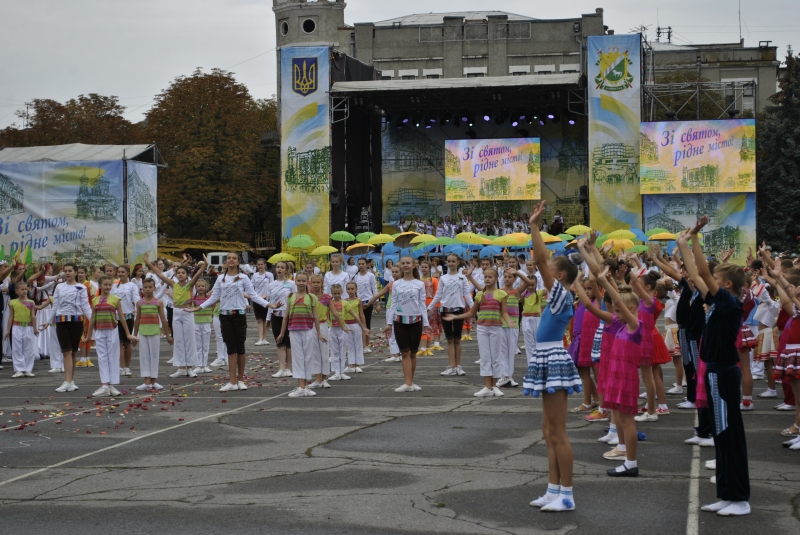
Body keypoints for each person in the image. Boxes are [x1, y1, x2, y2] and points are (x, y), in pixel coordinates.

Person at [678, 218, 750, 516]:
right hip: (716, 373)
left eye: (717, 282)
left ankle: (739, 499)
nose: (709, 284)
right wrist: (686, 243)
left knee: (729, 434)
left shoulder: (730, 304)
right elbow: (696, 273)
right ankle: (726, 494)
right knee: (721, 435)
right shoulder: (719, 302)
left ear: (728, 285)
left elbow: (704, 271)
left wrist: (696, 237)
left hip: (724, 373)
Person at [522, 201, 582, 512]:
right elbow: (545, 262)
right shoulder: (559, 296)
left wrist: (534, 226)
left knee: (558, 431)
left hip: (553, 359)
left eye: (550, 269)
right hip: (547, 359)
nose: (544, 270)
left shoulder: (561, 294)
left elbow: (542, 260)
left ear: (559, 274)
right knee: (548, 431)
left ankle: (567, 495)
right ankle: (553, 488)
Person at [187, 252, 270, 392]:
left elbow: (253, 295)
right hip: (224, 316)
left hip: (239, 315)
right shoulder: (220, 278)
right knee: (230, 349)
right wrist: (198, 307)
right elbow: (214, 298)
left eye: (234, 258)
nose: (231, 260)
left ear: (238, 262)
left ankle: (241, 380)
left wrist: (269, 305)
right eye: (229, 258)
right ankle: (232, 381)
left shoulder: (244, 278)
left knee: (240, 348)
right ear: (226, 262)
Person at [444, 266, 510, 397]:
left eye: (490, 277)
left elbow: (504, 312)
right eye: (485, 277)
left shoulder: (501, 294)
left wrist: (510, 322)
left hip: (496, 328)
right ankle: (487, 386)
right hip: (482, 328)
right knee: (485, 357)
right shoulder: (480, 295)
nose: (487, 279)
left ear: (496, 279)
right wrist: (456, 316)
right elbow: (472, 313)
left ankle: (494, 386)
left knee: (495, 357)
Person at [143, 253, 206, 379]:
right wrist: (148, 263)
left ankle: (190, 367)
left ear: (187, 275)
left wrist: (205, 265)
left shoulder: (190, 285)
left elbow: (198, 274)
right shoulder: (173, 284)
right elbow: (159, 274)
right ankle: (181, 368)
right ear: (176, 275)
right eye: (178, 273)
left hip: (187, 312)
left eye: (183, 273)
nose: (180, 274)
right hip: (176, 313)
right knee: (178, 341)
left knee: (189, 341)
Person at [43, 263, 94, 393]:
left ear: (76, 272)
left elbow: (86, 306)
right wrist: (48, 321)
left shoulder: (81, 287)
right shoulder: (59, 287)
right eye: (65, 271)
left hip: (76, 321)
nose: (67, 273)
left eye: (70, 271)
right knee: (66, 351)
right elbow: (55, 305)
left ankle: (71, 381)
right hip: (61, 321)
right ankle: (66, 381)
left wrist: (93, 321)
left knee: (73, 352)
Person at [384, 256, 431, 392]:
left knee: (413, 353)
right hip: (399, 321)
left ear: (413, 265)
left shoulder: (419, 284)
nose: (405, 265)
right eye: (403, 263)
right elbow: (393, 304)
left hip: (416, 321)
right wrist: (389, 323)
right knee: (405, 353)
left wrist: (426, 324)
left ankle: (411, 381)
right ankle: (407, 383)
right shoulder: (396, 284)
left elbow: (422, 305)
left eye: (408, 263)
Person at [84, 276, 137, 397]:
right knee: (102, 357)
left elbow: (122, 317)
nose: (108, 287)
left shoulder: (115, 299)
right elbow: (92, 319)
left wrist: (128, 334)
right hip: (99, 331)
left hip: (112, 330)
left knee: (113, 357)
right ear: (100, 286)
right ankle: (104, 385)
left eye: (109, 285)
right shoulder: (95, 300)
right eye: (105, 285)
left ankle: (111, 385)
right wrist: (88, 336)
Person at [277, 272, 327, 398]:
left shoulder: (311, 298)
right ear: (295, 281)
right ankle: (301, 387)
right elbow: (286, 316)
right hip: (294, 330)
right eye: (298, 280)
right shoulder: (291, 297)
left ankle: (305, 386)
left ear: (307, 282)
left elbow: (315, 316)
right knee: (298, 357)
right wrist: (282, 333)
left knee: (308, 357)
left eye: (303, 281)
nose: (300, 283)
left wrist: (319, 333)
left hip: (308, 330)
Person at [430, 253, 473, 376]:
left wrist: (475, 308)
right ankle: (451, 366)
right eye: (449, 261)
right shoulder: (443, 278)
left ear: (458, 262)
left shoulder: (462, 278)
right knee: (449, 339)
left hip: (459, 309)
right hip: (445, 309)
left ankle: (458, 366)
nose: (451, 263)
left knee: (457, 339)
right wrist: (429, 307)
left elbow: (466, 294)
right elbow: (438, 295)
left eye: (453, 261)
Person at [133, 278, 172, 391]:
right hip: (143, 332)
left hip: (155, 332)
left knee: (154, 356)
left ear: (154, 288)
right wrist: (135, 335)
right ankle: (147, 381)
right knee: (144, 356)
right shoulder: (139, 303)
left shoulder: (158, 302)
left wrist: (168, 335)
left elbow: (164, 320)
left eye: (150, 287)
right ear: (142, 289)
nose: (148, 289)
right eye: (146, 287)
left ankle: (154, 381)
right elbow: (137, 319)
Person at [266, 261, 297, 377]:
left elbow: (294, 300)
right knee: (279, 342)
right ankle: (281, 368)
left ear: (286, 270)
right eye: (277, 267)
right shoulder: (271, 285)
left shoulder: (291, 284)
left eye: (282, 267)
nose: (279, 269)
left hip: (288, 315)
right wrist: (268, 319)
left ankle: (288, 368)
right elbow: (270, 302)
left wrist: (293, 316)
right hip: (275, 315)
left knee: (288, 343)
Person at [111, 265, 140, 378]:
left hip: (128, 315)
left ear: (128, 273)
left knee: (127, 343)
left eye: (123, 272)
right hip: (116, 317)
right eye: (119, 272)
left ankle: (127, 367)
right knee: (119, 343)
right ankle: (119, 367)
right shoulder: (114, 286)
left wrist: (138, 310)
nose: (121, 274)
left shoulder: (132, 285)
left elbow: (136, 298)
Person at [5, 281, 37, 378]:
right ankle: (19, 369)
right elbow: (11, 317)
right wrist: (7, 330)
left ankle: (27, 369)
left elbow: (33, 317)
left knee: (29, 349)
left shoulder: (31, 302)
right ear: (16, 291)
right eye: (22, 289)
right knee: (17, 348)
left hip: (28, 327)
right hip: (16, 327)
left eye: (25, 289)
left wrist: (35, 328)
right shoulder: (13, 302)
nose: (24, 291)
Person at [353, 258, 378, 355]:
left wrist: (376, 303)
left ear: (366, 264)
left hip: (368, 301)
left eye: (363, 264)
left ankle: (366, 345)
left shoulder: (370, 276)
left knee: (367, 323)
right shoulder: (355, 277)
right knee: (359, 323)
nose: (361, 266)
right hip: (358, 302)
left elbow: (374, 289)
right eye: (359, 264)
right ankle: (360, 344)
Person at [417, 260, 442, 356]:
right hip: (420, 305)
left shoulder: (433, 280)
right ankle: (423, 347)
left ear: (429, 268)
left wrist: (436, 305)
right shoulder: (417, 280)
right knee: (422, 325)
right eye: (422, 267)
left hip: (431, 305)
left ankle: (427, 347)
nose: (424, 269)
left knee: (430, 325)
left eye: (426, 267)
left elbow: (437, 293)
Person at [343, 281, 367, 373]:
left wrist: (364, 327)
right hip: (347, 324)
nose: (350, 291)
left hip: (356, 324)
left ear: (356, 289)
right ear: (346, 290)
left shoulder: (358, 300)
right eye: (348, 289)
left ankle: (357, 364)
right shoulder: (344, 301)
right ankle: (350, 364)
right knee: (350, 345)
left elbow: (361, 314)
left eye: (352, 289)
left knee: (358, 344)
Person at [191, 279, 213, 375]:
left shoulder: (209, 299)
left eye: (202, 286)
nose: (200, 288)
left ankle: (205, 365)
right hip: (196, 323)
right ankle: (199, 365)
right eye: (198, 286)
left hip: (206, 323)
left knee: (205, 345)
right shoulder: (193, 299)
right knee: (198, 345)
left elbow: (214, 304)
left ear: (206, 287)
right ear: (195, 287)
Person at [252, 258, 274, 347]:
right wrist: (256, 296)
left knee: (265, 320)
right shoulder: (254, 275)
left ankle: (264, 338)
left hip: (266, 300)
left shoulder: (269, 275)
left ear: (265, 265)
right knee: (259, 319)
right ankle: (260, 338)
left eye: (262, 264)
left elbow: (272, 287)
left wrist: (267, 295)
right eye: (258, 264)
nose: (260, 266)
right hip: (257, 299)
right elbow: (251, 286)